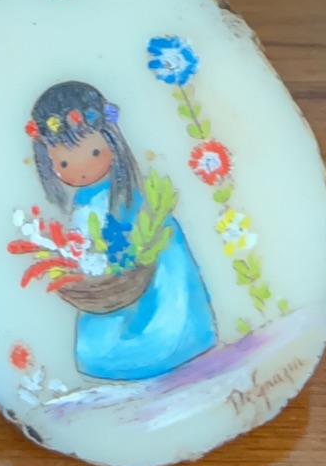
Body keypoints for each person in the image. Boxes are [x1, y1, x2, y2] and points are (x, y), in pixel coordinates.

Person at [28, 79, 216, 383]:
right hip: (111, 283)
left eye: (94, 153)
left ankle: (174, 343)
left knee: (163, 325)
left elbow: (133, 240)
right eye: (63, 162)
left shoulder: (130, 197)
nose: (81, 170)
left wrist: (118, 255)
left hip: (152, 272)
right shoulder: (83, 202)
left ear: (111, 143)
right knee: (99, 345)